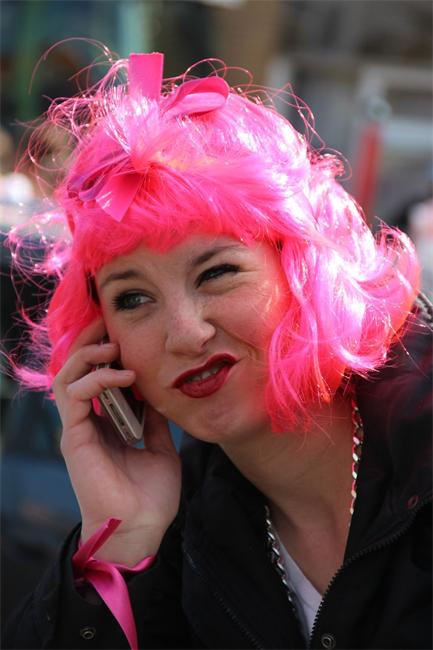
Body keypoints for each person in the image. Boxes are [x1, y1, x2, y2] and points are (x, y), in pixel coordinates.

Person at [4, 51, 432, 650]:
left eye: (216, 273)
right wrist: (121, 547)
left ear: (303, 265)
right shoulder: (176, 533)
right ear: (102, 343)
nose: (185, 333)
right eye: (133, 299)